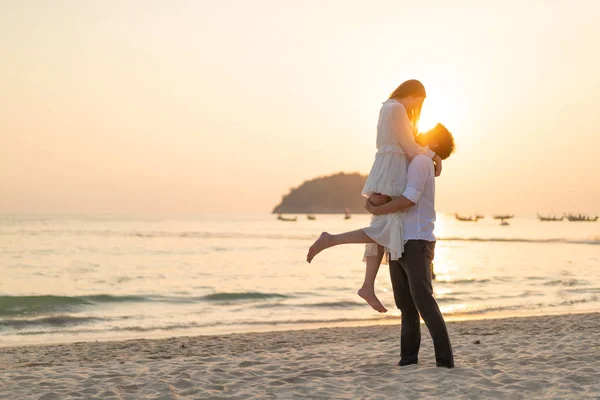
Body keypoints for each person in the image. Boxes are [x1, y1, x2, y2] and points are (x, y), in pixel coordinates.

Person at [306, 80, 442, 313]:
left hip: (384, 168)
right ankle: (332, 240)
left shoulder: (386, 107)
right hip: (392, 170)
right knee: (385, 226)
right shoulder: (397, 108)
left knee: (382, 227)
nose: (417, 108)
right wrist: (433, 155)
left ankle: (367, 286)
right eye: (419, 102)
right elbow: (410, 147)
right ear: (413, 95)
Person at [365, 123, 456, 368]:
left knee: (423, 301)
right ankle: (408, 360)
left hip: (416, 240)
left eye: (426, 134)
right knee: (405, 305)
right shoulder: (416, 160)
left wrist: (376, 209)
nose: (417, 134)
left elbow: (408, 200)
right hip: (399, 239)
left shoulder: (421, 163)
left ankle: (445, 361)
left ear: (433, 143)